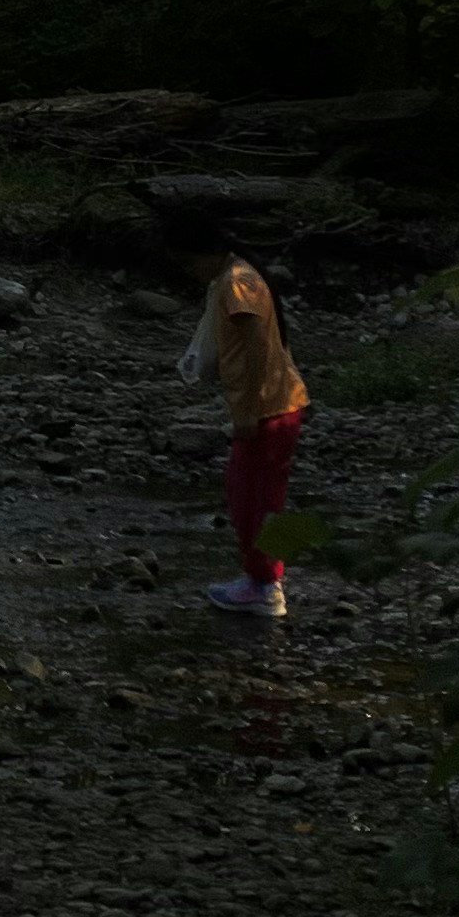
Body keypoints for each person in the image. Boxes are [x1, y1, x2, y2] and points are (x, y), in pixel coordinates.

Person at [168, 205, 309, 618]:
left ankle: (264, 587)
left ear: (203, 252)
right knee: (245, 492)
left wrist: (246, 411)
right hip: (276, 405)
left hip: (269, 409)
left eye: (186, 262)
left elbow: (257, 347)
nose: (188, 271)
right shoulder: (239, 276)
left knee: (254, 500)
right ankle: (261, 579)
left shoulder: (237, 283)